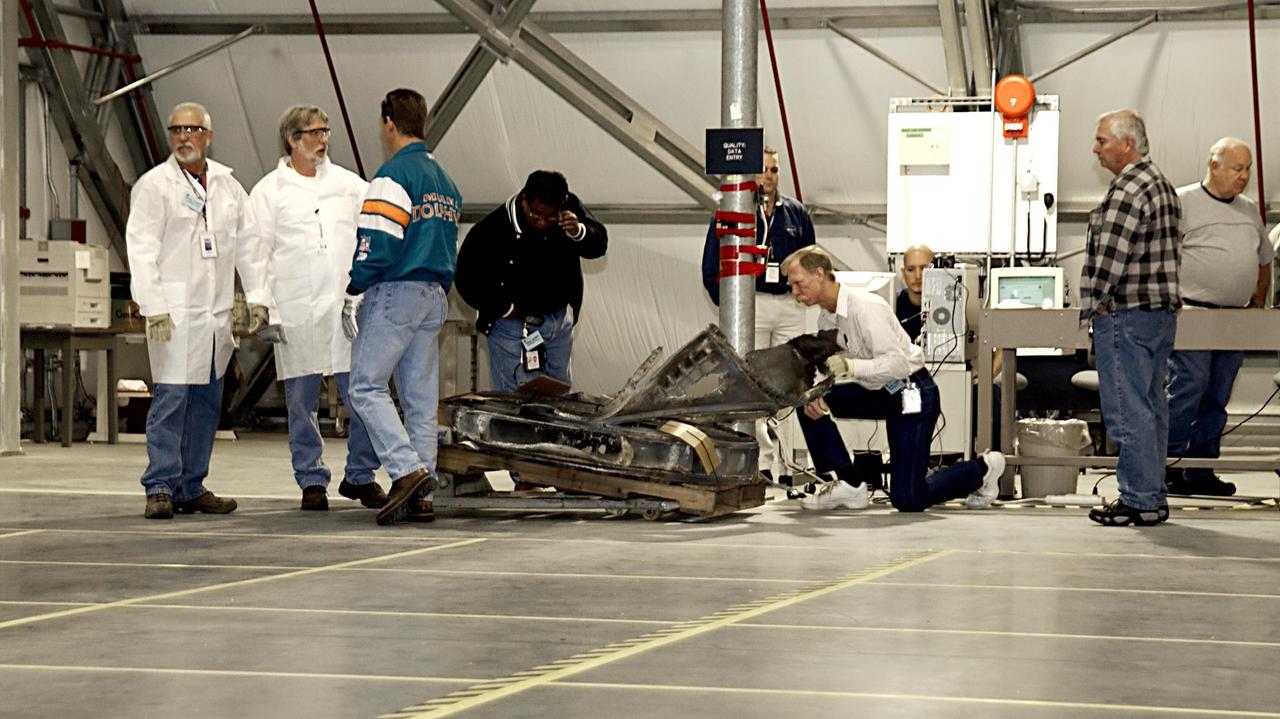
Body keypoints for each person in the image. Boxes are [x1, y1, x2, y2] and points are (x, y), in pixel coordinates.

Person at [128, 102, 271, 519]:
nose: (183, 137)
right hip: (173, 315)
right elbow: (141, 249)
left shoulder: (227, 186)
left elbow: (250, 244)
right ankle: (159, 485)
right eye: (175, 130)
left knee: (208, 404)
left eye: (191, 129)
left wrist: (259, 296)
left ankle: (191, 485)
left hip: (214, 318)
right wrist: (152, 305)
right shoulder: (154, 186)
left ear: (208, 136)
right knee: (171, 401)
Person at [782, 246, 1005, 512]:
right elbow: (826, 365)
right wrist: (816, 389)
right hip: (880, 393)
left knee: (909, 499)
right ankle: (850, 484)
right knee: (806, 399)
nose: (795, 293)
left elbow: (897, 366)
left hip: (912, 392)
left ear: (819, 274)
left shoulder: (865, 308)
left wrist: (852, 367)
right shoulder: (827, 318)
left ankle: (983, 469)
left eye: (798, 283)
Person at [249, 104, 384, 512]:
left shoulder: (349, 185)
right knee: (301, 401)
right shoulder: (268, 191)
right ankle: (310, 478)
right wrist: (262, 305)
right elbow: (256, 252)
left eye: (326, 132)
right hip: (296, 310)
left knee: (361, 395)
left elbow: (372, 234)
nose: (322, 140)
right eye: (314, 133)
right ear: (292, 139)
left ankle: (361, 474)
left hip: (346, 306)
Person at [342, 89, 461, 525]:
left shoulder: (393, 176)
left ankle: (405, 470)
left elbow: (378, 242)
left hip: (397, 291)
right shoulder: (445, 182)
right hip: (434, 295)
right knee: (419, 398)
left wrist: (355, 285)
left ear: (389, 122)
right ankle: (422, 491)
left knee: (365, 386)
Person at [1081, 110, 1181, 527]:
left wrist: (1098, 301)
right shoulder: (1162, 185)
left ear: (1127, 143)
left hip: (1127, 314)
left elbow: (1110, 258)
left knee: (1128, 408)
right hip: (1158, 315)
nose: (1096, 148)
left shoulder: (1128, 189)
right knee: (1153, 407)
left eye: (1102, 140)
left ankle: (1137, 499)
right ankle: (1153, 495)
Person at [1165, 138, 1274, 497]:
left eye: (1247, 169)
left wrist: (1257, 302)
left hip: (1234, 319)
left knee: (1218, 392)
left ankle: (1202, 468)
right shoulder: (1181, 203)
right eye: (1236, 168)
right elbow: (1161, 255)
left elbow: (1263, 259)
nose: (1243, 176)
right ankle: (1170, 463)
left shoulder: (1248, 211)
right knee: (1189, 385)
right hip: (1192, 314)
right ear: (1214, 166)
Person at [700, 147, 816, 480]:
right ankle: (763, 461)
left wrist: (806, 296)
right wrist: (726, 302)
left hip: (790, 305)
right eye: (763, 169)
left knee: (796, 381)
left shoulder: (796, 213)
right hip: (754, 303)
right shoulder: (734, 210)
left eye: (774, 170)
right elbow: (713, 259)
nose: (769, 175)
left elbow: (811, 258)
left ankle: (795, 461)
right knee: (756, 381)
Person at [455, 171, 607, 392]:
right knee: (517, 404)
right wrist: (505, 309)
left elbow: (599, 244)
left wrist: (578, 231)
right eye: (536, 215)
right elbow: (466, 278)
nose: (543, 222)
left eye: (551, 216)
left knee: (559, 397)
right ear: (524, 199)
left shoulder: (569, 208)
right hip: (513, 327)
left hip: (558, 323)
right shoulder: (495, 227)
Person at [895, 244, 934, 342]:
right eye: (911, 270)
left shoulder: (948, 308)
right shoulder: (893, 305)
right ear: (903, 272)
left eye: (924, 269)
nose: (917, 276)